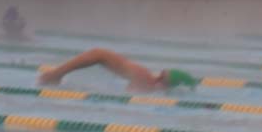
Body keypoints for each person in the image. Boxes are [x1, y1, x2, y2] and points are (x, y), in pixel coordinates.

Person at [37, 48, 197, 92]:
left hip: (100, 56)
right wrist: (58, 73)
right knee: (99, 54)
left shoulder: (146, 79)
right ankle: (55, 75)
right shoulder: (145, 79)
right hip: (99, 55)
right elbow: (98, 54)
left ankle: (56, 75)